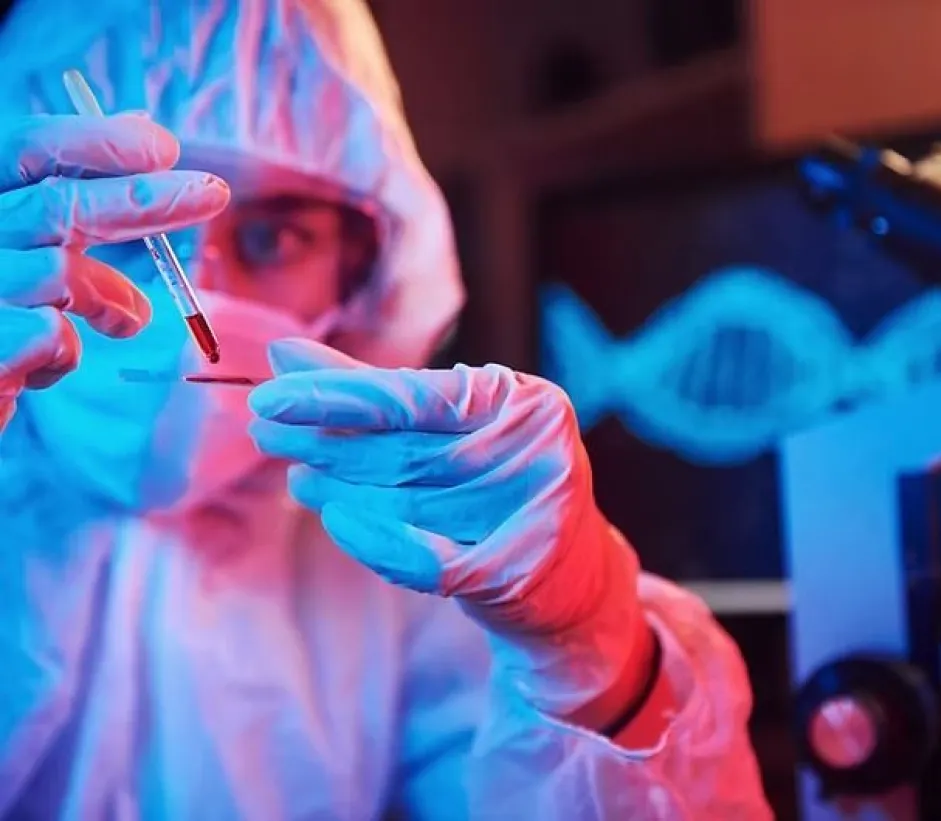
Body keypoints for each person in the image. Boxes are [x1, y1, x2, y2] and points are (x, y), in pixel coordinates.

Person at [0, 1, 773, 818]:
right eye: (132, 227)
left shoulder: (402, 557)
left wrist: (595, 656)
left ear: (364, 272)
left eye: (277, 236)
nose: (201, 302)